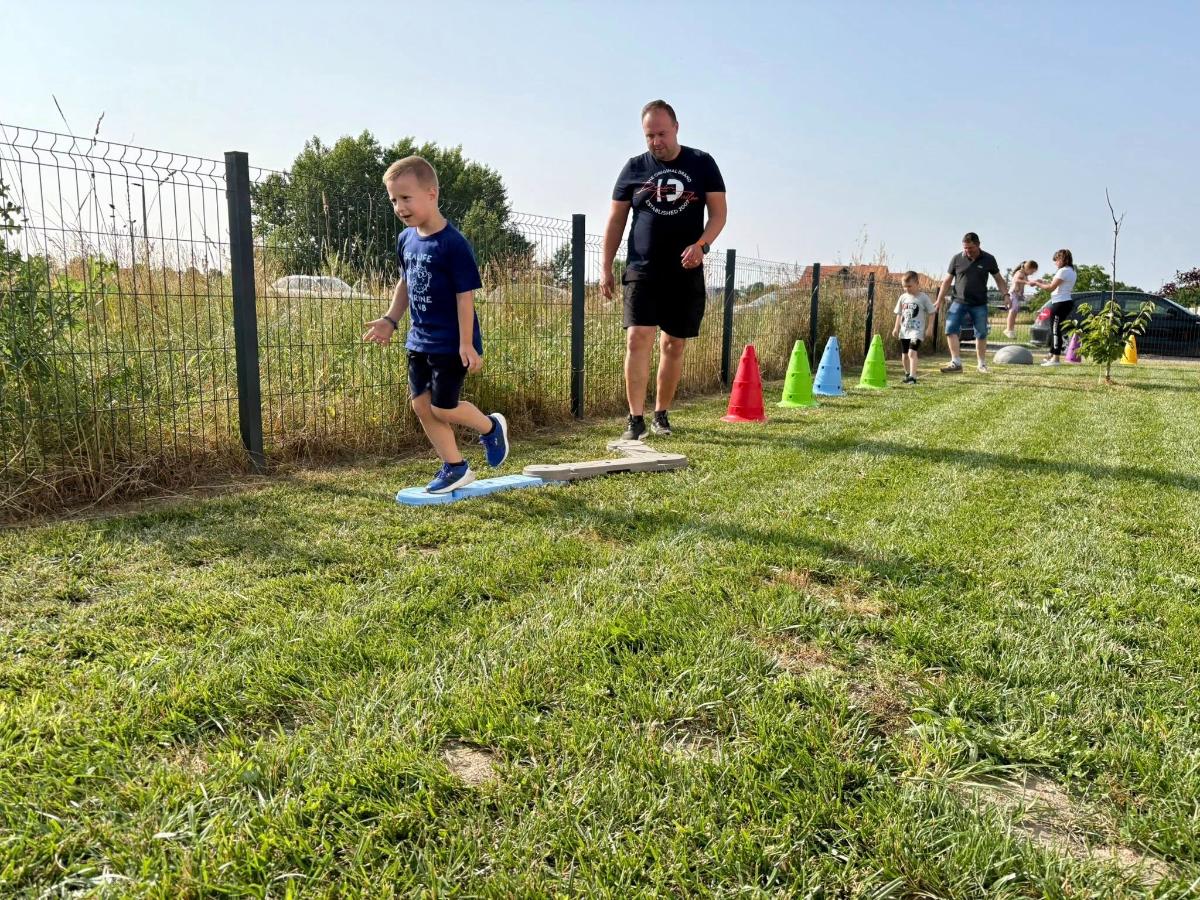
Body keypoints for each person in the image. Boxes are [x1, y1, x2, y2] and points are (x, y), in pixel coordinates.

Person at [363, 156, 509, 493]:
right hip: (419, 340)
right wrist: (390, 319)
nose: (399, 207)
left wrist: (466, 343)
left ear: (432, 194)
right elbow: (406, 283)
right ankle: (455, 467)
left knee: (444, 408)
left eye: (406, 197)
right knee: (420, 405)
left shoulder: (453, 244)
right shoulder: (406, 239)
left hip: (451, 342)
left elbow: (464, 297)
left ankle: (490, 428)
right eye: (394, 200)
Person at [600, 100, 727, 440]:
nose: (656, 141)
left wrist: (701, 246)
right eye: (649, 136)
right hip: (642, 269)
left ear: (676, 128)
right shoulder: (634, 168)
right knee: (637, 337)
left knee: (673, 345)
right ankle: (635, 420)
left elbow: (719, 214)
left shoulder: (702, 163)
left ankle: (661, 415)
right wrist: (606, 267)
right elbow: (615, 221)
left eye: (661, 133)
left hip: (684, 270)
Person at [935, 232, 1009, 374]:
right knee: (950, 329)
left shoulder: (989, 259)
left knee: (981, 333)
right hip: (958, 301)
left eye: (970, 248)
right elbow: (947, 281)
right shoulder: (957, 258)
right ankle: (956, 363)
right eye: (965, 248)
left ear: (978, 245)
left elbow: (999, 279)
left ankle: (981, 364)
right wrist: (939, 300)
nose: (967, 251)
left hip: (979, 303)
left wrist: (1006, 295)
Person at [1030, 249, 1078, 366]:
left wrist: (1037, 284)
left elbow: (1051, 288)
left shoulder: (1063, 271)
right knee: (1055, 330)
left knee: (1056, 331)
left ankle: (1056, 359)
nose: (1055, 263)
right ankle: (1051, 355)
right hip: (1063, 302)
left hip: (1060, 303)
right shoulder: (1071, 271)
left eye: (1056, 260)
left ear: (1063, 259)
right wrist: (1043, 282)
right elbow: (1057, 285)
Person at [891, 271, 936, 383]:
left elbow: (932, 312)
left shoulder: (923, 298)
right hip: (904, 331)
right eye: (904, 286)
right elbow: (899, 314)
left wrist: (930, 327)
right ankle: (907, 374)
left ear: (917, 283)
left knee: (912, 352)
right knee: (905, 355)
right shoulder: (903, 297)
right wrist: (896, 328)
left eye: (909, 286)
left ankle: (913, 377)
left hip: (916, 331)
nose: (907, 289)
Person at [1004, 260, 1039, 338]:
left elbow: (1029, 283)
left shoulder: (1025, 275)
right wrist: (1027, 282)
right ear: (1028, 268)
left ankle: (1010, 329)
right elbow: (1016, 280)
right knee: (1012, 311)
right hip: (1013, 293)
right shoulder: (1019, 272)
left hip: (1016, 295)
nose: (1032, 273)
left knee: (1014, 312)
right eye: (1032, 271)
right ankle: (1009, 329)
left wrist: (1036, 282)